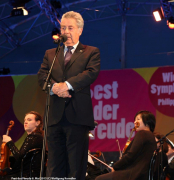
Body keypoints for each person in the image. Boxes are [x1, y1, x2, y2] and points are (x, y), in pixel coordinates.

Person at [37, 11, 100, 179]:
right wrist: (54, 87)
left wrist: (67, 85)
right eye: (63, 28)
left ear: (80, 30)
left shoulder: (91, 52)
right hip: (54, 118)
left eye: (70, 28)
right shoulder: (51, 53)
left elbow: (91, 73)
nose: (66, 32)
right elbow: (42, 76)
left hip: (77, 117)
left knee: (76, 166)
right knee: (54, 167)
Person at [95, 110, 157, 180]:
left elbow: (130, 155)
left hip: (133, 174)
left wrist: (116, 166)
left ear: (146, 120)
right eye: (135, 120)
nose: (134, 122)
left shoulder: (142, 133)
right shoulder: (151, 136)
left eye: (138, 119)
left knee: (99, 179)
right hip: (142, 174)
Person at [1, 111, 43, 178]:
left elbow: (19, 157)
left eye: (29, 120)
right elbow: (25, 160)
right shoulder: (35, 136)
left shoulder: (34, 136)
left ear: (37, 123)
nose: (25, 122)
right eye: (25, 120)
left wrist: (9, 142)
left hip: (25, 176)